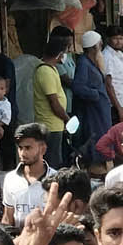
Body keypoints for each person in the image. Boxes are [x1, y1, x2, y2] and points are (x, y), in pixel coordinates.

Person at [70, 31, 113, 163]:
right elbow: (78, 87)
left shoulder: (91, 61)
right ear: (94, 47)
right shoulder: (83, 63)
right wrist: (95, 95)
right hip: (92, 112)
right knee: (96, 138)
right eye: (99, 44)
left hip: (99, 110)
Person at [31, 34, 72, 168]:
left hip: (56, 124)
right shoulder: (45, 71)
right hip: (50, 126)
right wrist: (67, 119)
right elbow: (54, 102)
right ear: (59, 54)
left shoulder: (52, 69)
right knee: (52, 163)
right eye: (65, 52)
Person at [0, 123, 51, 225]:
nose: (22, 153)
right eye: (20, 148)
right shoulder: (10, 179)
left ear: (43, 149)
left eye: (28, 148)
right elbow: (7, 218)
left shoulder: (55, 179)